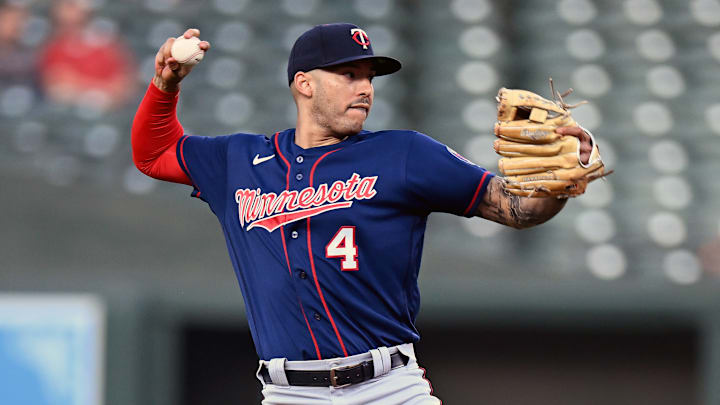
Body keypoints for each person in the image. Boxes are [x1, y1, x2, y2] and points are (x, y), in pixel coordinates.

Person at [132, 23, 596, 404]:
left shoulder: (404, 153)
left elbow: (515, 208)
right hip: (290, 394)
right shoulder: (239, 162)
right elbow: (153, 153)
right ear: (304, 83)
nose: (365, 89)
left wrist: (561, 178)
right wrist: (165, 83)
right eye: (348, 74)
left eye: (369, 77)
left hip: (389, 388)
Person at [38, 0, 136, 110]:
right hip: (67, 112)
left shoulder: (108, 45)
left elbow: (124, 87)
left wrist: (82, 85)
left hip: (108, 109)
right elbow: (55, 86)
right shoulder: (53, 47)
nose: (68, 11)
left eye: (72, 6)